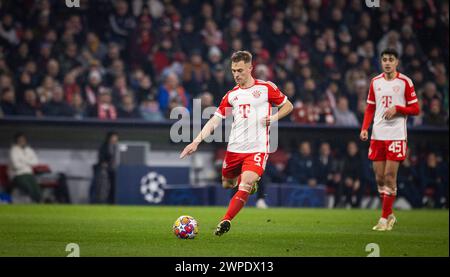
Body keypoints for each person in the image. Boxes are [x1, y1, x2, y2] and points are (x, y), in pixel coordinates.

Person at [180, 51, 293, 236]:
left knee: (246, 183)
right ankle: (248, 182)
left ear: (250, 68)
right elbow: (214, 121)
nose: (236, 74)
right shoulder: (231, 95)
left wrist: (273, 117)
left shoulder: (266, 88)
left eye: (240, 70)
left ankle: (225, 220)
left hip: (257, 148)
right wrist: (195, 142)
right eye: (233, 71)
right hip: (234, 149)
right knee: (227, 184)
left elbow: (289, 106)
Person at [360, 48, 420, 231]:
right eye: (384, 59)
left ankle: (384, 219)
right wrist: (364, 128)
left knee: (389, 176)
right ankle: (390, 213)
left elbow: (416, 109)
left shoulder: (405, 82)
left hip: (396, 135)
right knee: (379, 178)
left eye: (390, 59)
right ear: (381, 61)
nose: (387, 62)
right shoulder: (375, 82)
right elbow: (370, 108)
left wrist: (398, 108)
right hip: (377, 135)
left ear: (397, 62)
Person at [8, 132, 40, 202]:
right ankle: (34, 203)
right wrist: (29, 162)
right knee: (29, 188)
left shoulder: (29, 150)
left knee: (37, 190)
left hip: (29, 174)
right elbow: (16, 166)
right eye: (20, 140)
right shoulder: (13, 150)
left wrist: (23, 161)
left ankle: (39, 204)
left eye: (23, 140)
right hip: (18, 175)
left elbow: (36, 162)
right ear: (16, 141)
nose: (22, 141)